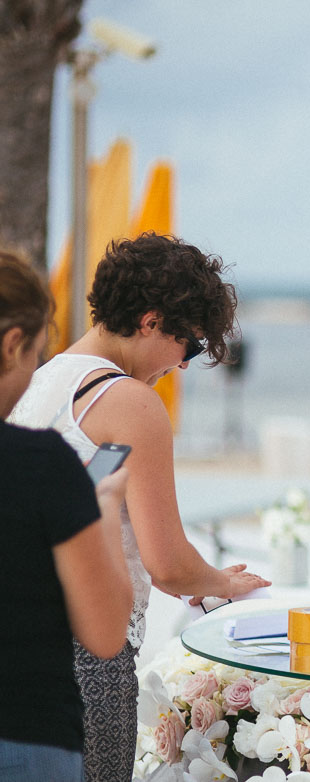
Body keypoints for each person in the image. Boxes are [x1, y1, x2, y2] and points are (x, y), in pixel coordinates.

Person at [9, 233, 270, 781]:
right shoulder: (128, 400)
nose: (182, 364)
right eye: (191, 344)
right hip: (85, 652)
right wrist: (224, 584)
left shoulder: (36, 381)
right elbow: (167, 562)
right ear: (152, 321)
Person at [0, 251, 133, 780]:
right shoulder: (42, 465)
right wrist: (102, 503)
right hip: (26, 738)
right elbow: (104, 633)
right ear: (13, 344)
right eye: (35, 355)